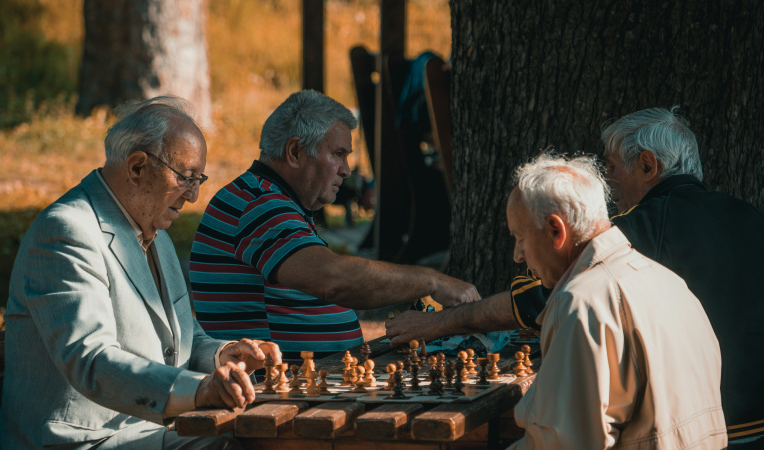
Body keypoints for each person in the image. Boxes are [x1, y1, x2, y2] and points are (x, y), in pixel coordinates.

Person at [385, 107, 764, 446]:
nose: (609, 182)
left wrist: (440, 323)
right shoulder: (746, 220)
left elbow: (570, 436)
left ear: (647, 166)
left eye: (612, 167)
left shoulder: (615, 260)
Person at [0, 96, 281, 449]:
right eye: (185, 177)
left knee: (273, 436)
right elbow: (92, 360)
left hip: (148, 432)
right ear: (136, 168)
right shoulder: (65, 232)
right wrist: (200, 389)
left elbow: (182, 337)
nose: (193, 196)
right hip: (85, 442)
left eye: (199, 179)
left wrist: (224, 355)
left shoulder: (153, 231)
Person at [189, 90, 480, 365]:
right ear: (294, 152)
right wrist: (433, 281)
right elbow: (334, 279)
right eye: (338, 154)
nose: (347, 170)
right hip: (273, 395)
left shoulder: (267, 198)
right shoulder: (260, 204)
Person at [504, 153, 725, 448]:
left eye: (520, 237)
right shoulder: (668, 281)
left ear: (556, 231)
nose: (518, 255)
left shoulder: (580, 303)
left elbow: (565, 443)